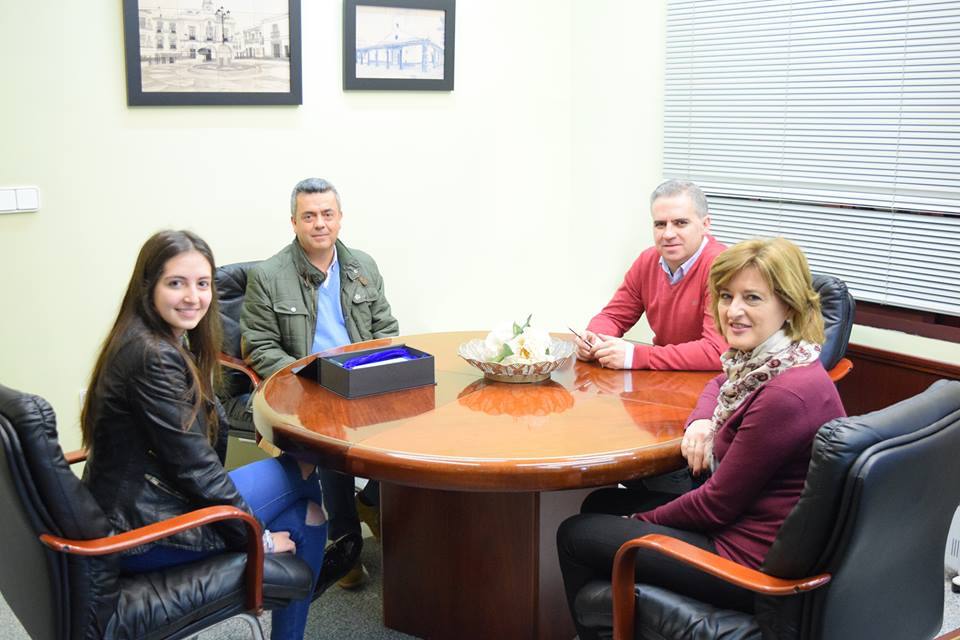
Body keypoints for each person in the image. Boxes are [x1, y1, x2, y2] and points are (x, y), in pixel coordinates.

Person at [557, 237, 846, 640]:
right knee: (600, 503)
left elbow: (715, 506)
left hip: (746, 562)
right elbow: (718, 381)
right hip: (749, 526)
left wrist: (636, 523)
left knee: (576, 534)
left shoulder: (785, 395)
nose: (734, 311)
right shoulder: (777, 360)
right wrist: (702, 422)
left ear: (790, 306)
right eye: (726, 296)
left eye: (753, 298)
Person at [81, 230, 327, 640]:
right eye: (175, 283)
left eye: (202, 284)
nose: (193, 296)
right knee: (301, 470)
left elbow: (190, 465)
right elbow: (197, 471)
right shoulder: (153, 357)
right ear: (148, 287)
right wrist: (258, 542)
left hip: (150, 500)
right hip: (144, 530)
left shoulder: (153, 340)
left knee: (307, 517)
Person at [241, 177, 398, 589]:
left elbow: (386, 328)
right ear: (293, 222)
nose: (319, 224)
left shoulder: (362, 265)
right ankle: (345, 541)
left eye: (327, 214)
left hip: (361, 375)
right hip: (306, 383)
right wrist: (315, 377)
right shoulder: (268, 275)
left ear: (340, 219)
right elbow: (260, 346)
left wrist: (377, 369)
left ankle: (371, 501)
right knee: (331, 440)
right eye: (308, 216)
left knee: (412, 423)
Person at [576, 179, 728, 370]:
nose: (668, 234)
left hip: (710, 382)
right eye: (660, 224)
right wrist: (593, 338)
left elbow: (716, 352)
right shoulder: (647, 260)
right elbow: (614, 317)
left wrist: (635, 356)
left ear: (705, 225)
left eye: (680, 223)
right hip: (664, 375)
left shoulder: (722, 268)